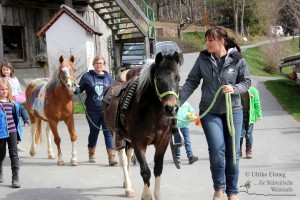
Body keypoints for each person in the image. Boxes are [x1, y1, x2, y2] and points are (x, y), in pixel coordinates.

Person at [179, 26, 251, 200]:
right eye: (206, 40)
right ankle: (219, 188)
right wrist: (178, 102)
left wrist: (234, 88)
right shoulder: (203, 58)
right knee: (217, 149)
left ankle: (232, 192)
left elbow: (247, 82)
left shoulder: (237, 59)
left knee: (232, 152)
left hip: (233, 111)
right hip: (210, 112)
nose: (207, 43)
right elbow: (191, 81)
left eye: (210, 40)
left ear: (221, 41)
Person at [75, 55, 118, 166]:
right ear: (93, 64)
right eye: (97, 63)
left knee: (108, 133)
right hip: (92, 111)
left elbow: (114, 92)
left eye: (101, 63)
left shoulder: (109, 78)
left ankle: (111, 156)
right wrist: (75, 89)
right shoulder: (87, 76)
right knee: (94, 132)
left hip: (106, 111)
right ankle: (91, 153)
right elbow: (80, 88)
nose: (99, 65)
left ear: (104, 65)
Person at [0, 78, 23, 188]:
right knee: (1, 154)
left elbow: (15, 119)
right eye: (1, 89)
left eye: (6, 89)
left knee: (14, 155)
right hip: (1, 133)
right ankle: (0, 170)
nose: (4, 91)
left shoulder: (13, 104)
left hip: (12, 131)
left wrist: (18, 133)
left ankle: (15, 178)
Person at [1, 62, 28, 152]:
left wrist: (21, 95)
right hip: (7, 101)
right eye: (3, 69)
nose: (5, 71)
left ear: (11, 70)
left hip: (15, 100)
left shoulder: (15, 79)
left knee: (16, 122)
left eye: (7, 69)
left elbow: (19, 89)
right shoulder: (2, 79)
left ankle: (17, 142)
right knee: (6, 122)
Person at [240, 86, 262, 159]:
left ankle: (248, 150)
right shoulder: (238, 90)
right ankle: (238, 149)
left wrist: (259, 115)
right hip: (240, 116)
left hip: (250, 116)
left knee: (249, 135)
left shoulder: (254, 91)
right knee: (240, 134)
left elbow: (257, 103)